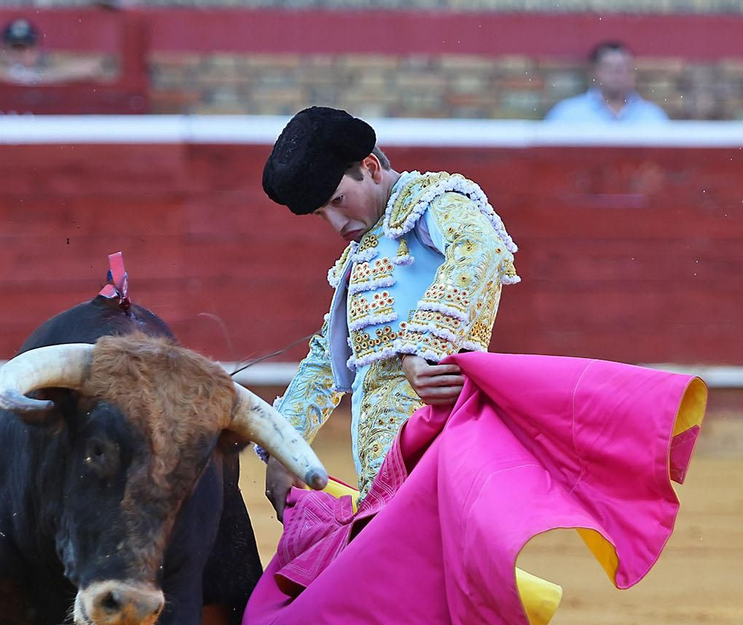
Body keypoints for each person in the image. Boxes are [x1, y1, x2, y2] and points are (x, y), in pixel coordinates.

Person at [258, 106, 520, 519]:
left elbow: (479, 249)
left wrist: (423, 349)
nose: (337, 224)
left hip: (440, 427)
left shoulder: (433, 201)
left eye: (338, 201)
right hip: (386, 465)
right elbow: (328, 359)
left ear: (371, 167)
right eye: (321, 214)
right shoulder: (364, 251)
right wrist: (283, 446)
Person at [544, 41, 669, 124]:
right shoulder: (567, 114)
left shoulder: (652, 115)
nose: (617, 73)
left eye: (623, 67)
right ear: (594, 71)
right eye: (609, 67)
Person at [0, 18, 112, 85]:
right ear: (3, 49)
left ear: (36, 49)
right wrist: (12, 74)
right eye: (15, 47)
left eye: (26, 47)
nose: (21, 53)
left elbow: (90, 68)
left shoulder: (47, 63)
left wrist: (38, 77)